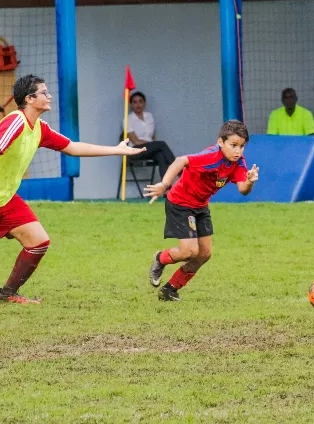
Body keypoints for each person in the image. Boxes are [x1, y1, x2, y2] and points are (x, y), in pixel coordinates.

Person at [0, 74, 146, 304]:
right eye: (44, 92)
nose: (49, 96)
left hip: (6, 199)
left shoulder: (39, 128)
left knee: (38, 241)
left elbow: (73, 147)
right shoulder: (15, 121)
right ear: (29, 99)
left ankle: (7, 294)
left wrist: (117, 150)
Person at [144, 119, 259, 301]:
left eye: (242, 146)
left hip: (200, 206)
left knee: (204, 254)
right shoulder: (211, 157)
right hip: (181, 204)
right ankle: (161, 258)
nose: (238, 151)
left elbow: (243, 190)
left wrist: (250, 181)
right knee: (189, 252)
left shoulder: (238, 163)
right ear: (220, 142)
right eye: (233, 145)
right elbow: (181, 160)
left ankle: (170, 289)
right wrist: (164, 184)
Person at [126, 91, 176, 179]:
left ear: (144, 103)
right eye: (135, 102)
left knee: (160, 155)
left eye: (140, 101)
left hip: (148, 150)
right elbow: (135, 141)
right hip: (135, 150)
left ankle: (167, 190)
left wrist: (152, 145)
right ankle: (181, 172)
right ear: (131, 104)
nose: (138, 104)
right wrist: (152, 144)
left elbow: (152, 136)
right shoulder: (128, 119)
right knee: (161, 144)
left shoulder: (149, 116)